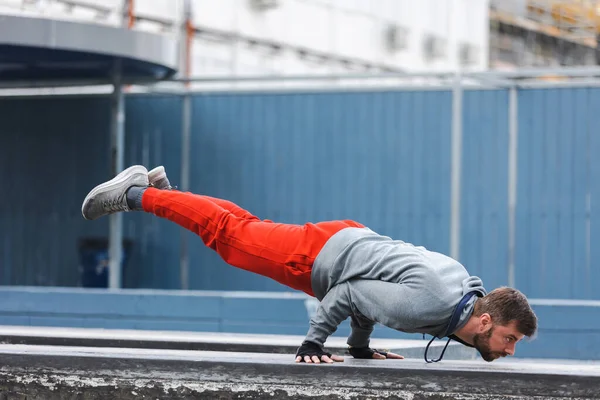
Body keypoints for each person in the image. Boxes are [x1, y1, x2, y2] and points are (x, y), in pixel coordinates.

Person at [82, 165, 538, 364]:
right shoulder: (433, 308)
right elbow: (352, 295)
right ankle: (137, 194)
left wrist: (360, 347)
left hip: (345, 244)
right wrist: (312, 341)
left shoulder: (458, 290)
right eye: (509, 338)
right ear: (484, 320)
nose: (510, 348)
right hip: (320, 260)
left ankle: (168, 190)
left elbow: (374, 293)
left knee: (242, 226)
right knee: (229, 237)